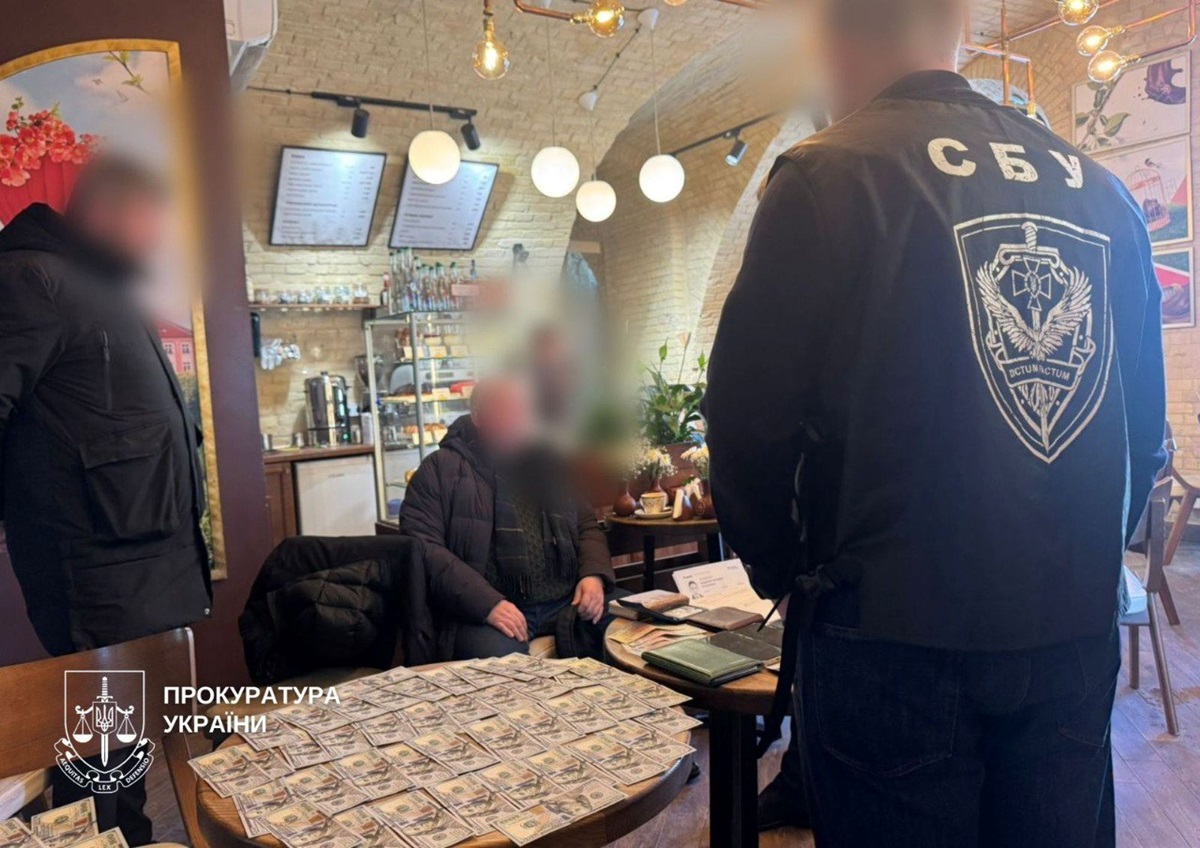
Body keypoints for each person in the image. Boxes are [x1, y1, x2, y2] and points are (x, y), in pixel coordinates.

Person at [703, 0, 1168, 844]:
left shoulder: (825, 174)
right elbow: (1144, 431)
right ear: (958, 26)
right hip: (1070, 624)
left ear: (831, 38)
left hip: (889, 627)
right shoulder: (1104, 192)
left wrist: (786, 577)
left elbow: (746, 430)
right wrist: (1081, 567)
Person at [0, 157, 212, 844]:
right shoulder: (33, 279)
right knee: (99, 765)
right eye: (151, 220)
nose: (159, 236)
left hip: (136, 566)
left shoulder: (95, 282)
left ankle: (129, 838)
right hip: (94, 574)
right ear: (105, 214)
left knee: (124, 755)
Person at [401, 377, 616, 659]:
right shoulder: (440, 469)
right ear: (478, 416)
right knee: (501, 668)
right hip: (483, 611)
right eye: (507, 410)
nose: (519, 421)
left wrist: (593, 576)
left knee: (635, 627)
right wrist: (488, 604)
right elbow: (424, 548)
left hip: (566, 601)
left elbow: (586, 526)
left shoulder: (548, 462)